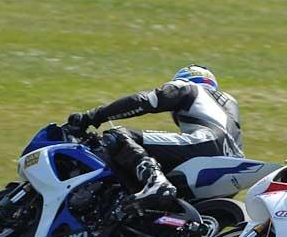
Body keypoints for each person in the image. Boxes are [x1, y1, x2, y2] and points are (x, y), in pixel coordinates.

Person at [68, 64, 243, 209]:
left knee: (118, 135)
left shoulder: (188, 87)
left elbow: (145, 101)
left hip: (204, 143)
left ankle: (156, 183)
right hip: (235, 161)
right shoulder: (229, 102)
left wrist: (93, 116)